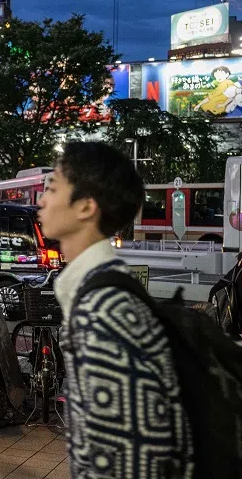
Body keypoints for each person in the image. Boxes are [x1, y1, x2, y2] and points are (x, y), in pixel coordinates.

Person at [37, 141, 192, 478]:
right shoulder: (98, 293)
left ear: (85, 207)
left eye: (52, 187)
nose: (41, 200)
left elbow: (132, 458)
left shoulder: (105, 310)